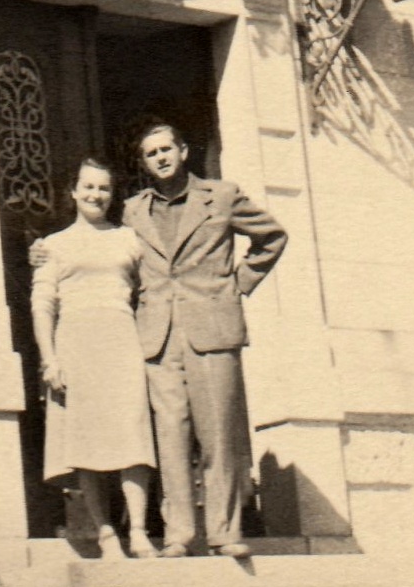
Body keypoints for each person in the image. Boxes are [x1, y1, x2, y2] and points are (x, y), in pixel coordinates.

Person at [125, 123, 288, 560]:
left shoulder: (222, 196)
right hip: (158, 337)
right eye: (151, 153)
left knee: (218, 434)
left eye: (166, 149)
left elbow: (272, 237)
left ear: (183, 151)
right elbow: (109, 255)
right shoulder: (133, 211)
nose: (160, 158)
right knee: (170, 437)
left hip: (213, 329)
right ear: (143, 163)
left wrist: (238, 284)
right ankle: (178, 534)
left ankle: (223, 532)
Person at [30, 156, 157, 560]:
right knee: (85, 442)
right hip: (76, 343)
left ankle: (138, 531)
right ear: (73, 191)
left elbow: (151, 289)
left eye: (104, 188)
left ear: (112, 194)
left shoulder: (129, 239)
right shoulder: (52, 245)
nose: (96, 195)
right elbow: (42, 304)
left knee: (132, 435)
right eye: (88, 186)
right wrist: (50, 359)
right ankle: (105, 533)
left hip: (122, 340)